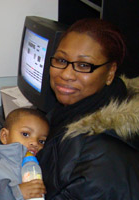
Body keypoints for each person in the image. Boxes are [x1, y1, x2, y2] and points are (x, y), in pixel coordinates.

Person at [36, 18, 139, 199]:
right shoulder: (71, 110)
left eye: (84, 65)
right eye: (61, 60)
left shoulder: (102, 163)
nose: (66, 74)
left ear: (110, 73)